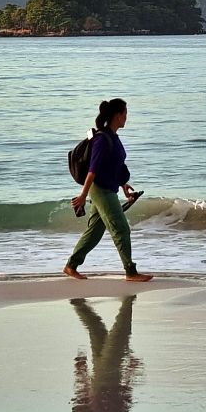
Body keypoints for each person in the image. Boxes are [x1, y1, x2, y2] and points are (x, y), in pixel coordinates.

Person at [64, 98, 153, 281]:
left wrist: (124, 186)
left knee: (94, 232)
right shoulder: (102, 140)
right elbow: (93, 171)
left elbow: (116, 165)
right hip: (100, 190)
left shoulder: (113, 137)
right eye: (125, 114)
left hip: (108, 187)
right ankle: (130, 272)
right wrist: (82, 196)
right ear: (117, 115)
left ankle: (71, 266)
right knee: (121, 229)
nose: (126, 118)